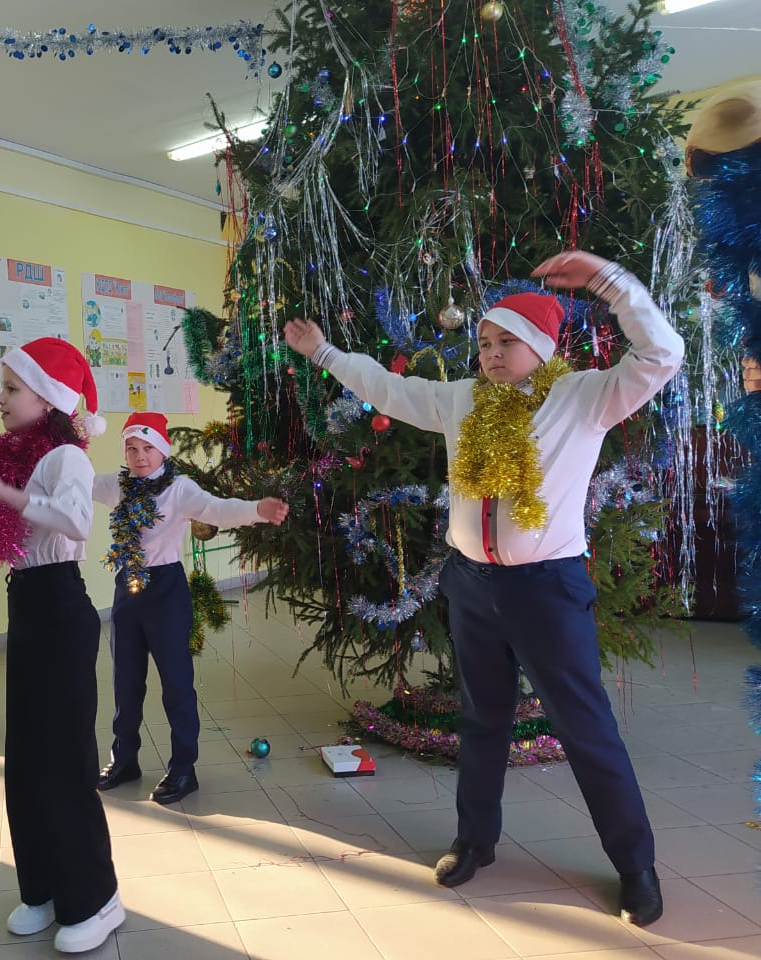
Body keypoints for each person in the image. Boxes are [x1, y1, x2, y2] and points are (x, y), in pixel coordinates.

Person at [284, 251, 683, 927]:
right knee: (481, 719)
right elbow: (389, 389)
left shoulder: (583, 397)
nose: (492, 354)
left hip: (547, 590)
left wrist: (610, 284)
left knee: (585, 727)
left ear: (541, 347)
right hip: (471, 584)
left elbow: (662, 354)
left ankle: (635, 866)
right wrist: (324, 353)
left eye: (507, 343)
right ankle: (475, 840)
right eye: (485, 343)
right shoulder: (462, 400)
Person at [0, 338, 123, 954]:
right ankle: (42, 886)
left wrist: (5, 493)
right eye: (4, 387)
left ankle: (97, 899)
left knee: (65, 759)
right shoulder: (19, 457)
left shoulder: (67, 456)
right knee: (25, 757)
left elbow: (75, 520)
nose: (1, 398)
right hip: (27, 602)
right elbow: (15, 537)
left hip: (61, 608)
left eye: (12, 388)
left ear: (48, 399)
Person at [93, 412, 289, 805]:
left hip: (166, 591)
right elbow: (77, 480)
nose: (140, 456)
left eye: (148, 448)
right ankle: (124, 759)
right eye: (132, 448)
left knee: (176, 684)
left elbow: (217, 509)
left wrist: (257, 509)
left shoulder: (179, 488)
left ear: (162, 451)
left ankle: (184, 768)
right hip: (127, 588)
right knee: (125, 683)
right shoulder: (118, 485)